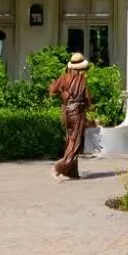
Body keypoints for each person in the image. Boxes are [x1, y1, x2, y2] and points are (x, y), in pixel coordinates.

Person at [49, 52, 97, 180]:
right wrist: (90, 107)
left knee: (70, 141)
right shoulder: (82, 80)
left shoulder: (64, 78)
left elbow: (52, 90)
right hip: (77, 113)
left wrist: (63, 93)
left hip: (67, 112)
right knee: (76, 143)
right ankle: (59, 167)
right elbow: (88, 100)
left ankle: (72, 172)